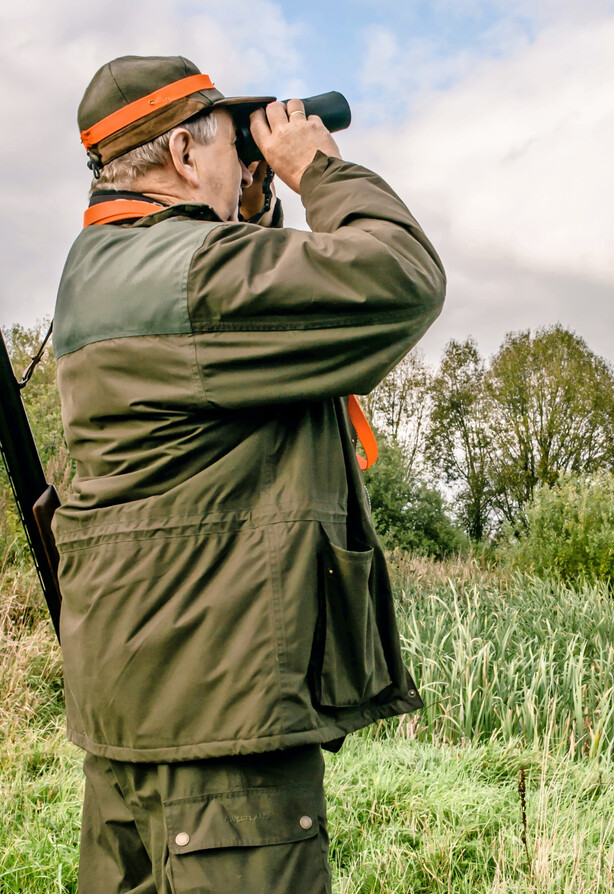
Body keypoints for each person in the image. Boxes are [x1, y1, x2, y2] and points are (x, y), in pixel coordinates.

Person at [52, 55, 445, 892]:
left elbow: (244, 334)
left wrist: (253, 204)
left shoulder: (104, 271)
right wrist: (318, 172)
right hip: (220, 725)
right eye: (235, 142)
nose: (250, 158)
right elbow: (398, 280)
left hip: (138, 704)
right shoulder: (196, 277)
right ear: (185, 158)